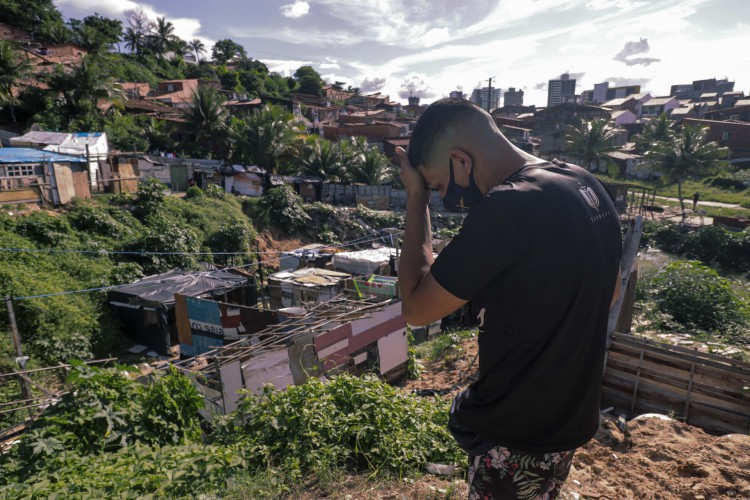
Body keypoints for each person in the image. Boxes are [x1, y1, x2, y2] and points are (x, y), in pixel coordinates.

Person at [396, 98, 622, 499]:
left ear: (460, 161)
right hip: (567, 424)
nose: (442, 196)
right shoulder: (584, 183)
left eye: (438, 185)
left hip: (518, 434)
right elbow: (610, 292)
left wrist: (416, 200)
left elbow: (415, 307)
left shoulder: (507, 207)